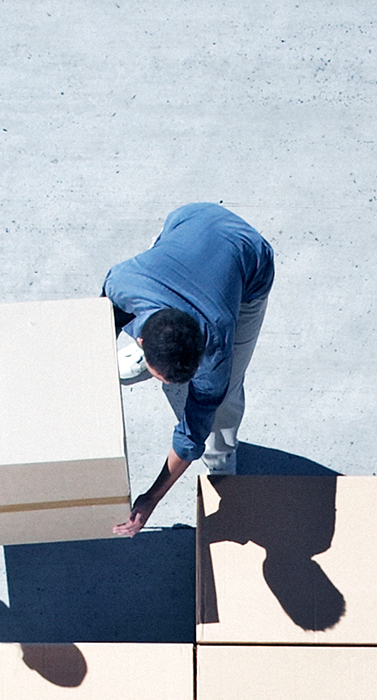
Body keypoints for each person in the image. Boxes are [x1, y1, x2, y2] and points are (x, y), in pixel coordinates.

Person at [102, 202, 274, 536]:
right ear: (141, 340)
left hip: (248, 258)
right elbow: (102, 323)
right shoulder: (122, 281)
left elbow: (192, 434)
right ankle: (157, 351)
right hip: (191, 220)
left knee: (223, 400)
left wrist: (151, 498)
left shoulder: (216, 346)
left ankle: (222, 454)